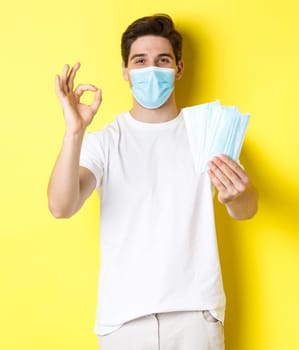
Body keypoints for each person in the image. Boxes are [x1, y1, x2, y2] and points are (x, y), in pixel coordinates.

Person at [47, 13, 258, 350]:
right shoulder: (104, 142)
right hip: (123, 322)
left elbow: (245, 210)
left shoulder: (207, 130)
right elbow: (61, 206)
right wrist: (75, 131)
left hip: (195, 316)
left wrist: (238, 194)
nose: (151, 69)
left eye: (162, 60)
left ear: (179, 69)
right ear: (125, 72)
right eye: (140, 61)